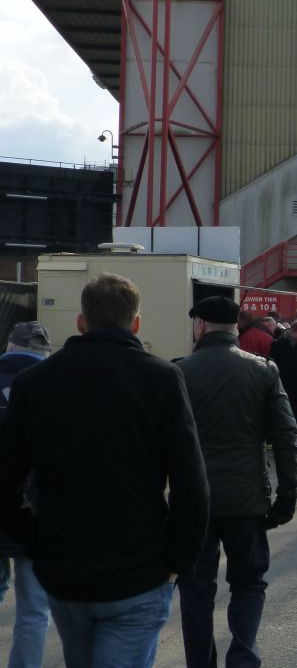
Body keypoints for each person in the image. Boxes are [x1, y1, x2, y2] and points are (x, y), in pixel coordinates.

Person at [0, 273, 209, 667]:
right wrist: (178, 560)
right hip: (140, 568)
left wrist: (35, 541)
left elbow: (6, 479)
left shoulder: (35, 383)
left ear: (81, 321)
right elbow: (190, 480)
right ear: (136, 323)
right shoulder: (162, 379)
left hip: (65, 569)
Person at [177, 295, 297, 668]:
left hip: (195, 502)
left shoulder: (180, 372)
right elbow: (286, 435)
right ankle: (243, 657)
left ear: (200, 325)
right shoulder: (263, 370)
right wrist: (287, 494)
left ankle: (201, 663)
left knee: (195, 589)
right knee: (248, 582)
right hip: (247, 498)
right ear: (235, 328)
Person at [0, 322, 53, 667]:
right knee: (34, 608)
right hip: (37, 507)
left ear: (10, 345)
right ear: (45, 352)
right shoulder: (55, 382)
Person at [271, 319, 297, 448]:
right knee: (286, 413)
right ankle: (288, 440)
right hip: (286, 382)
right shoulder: (279, 345)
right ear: (292, 331)